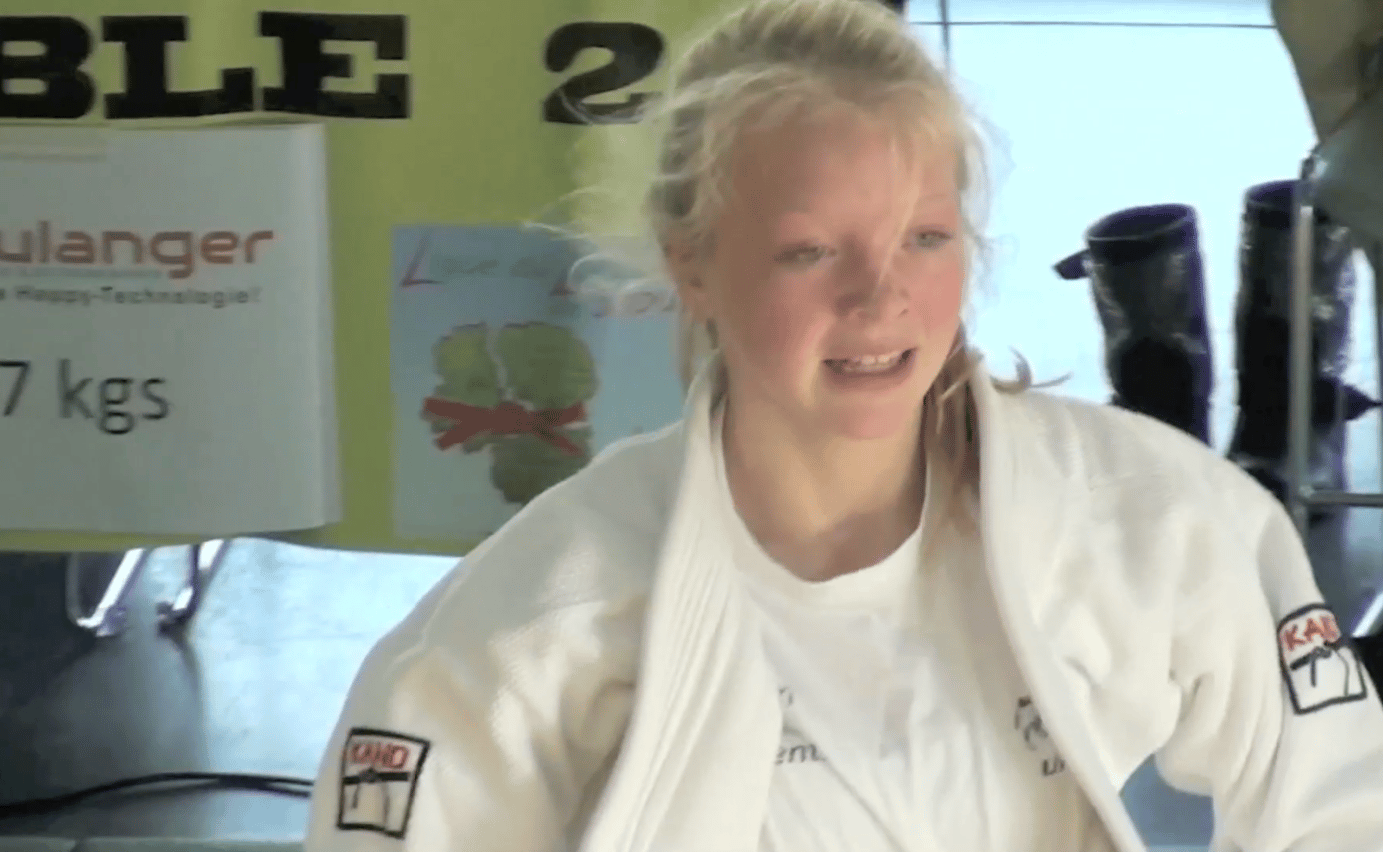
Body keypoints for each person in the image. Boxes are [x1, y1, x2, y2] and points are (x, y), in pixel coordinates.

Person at [306, 0, 1383, 849]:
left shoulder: (1147, 520)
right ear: (692, 266)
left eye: (924, 238)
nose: (880, 299)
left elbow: (1341, 803)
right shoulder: (550, 611)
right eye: (809, 251)